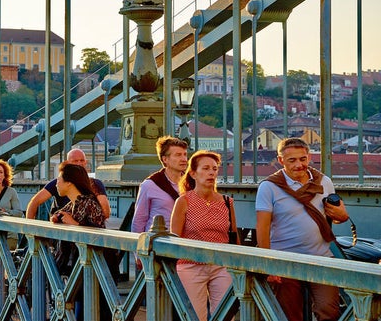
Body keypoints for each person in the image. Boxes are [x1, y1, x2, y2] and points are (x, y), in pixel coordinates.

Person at [255, 138, 349, 321]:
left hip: (321, 258)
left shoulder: (324, 182)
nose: (299, 165)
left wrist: (342, 216)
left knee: (329, 311)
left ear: (309, 157)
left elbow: (334, 218)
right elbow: (262, 227)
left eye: (303, 159)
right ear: (281, 160)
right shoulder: (269, 187)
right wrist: (267, 264)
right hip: (285, 259)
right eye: (292, 160)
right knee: (289, 315)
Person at [170, 150, 239, 321]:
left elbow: (234, 236)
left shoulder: (227, 202)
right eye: (206, 168)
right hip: (190, 265)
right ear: (193, 173)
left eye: (214, 169)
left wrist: (239, 263)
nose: (211, 173)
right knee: (195, 316)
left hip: (221, 265)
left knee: (225, 315)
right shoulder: (184, 201)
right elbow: (174, 239)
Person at [50, 161, 109, 321]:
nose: (56, 184)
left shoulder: (90, 203)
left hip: (91, 268)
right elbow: (61, 217)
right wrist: (57, 218)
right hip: (77, 267)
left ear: (69, 182)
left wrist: (74, 224)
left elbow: (97, 235)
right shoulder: (73, 203)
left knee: (86, 309)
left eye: (59, 179)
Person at [131, 136, 188, 268]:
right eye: (178, 155)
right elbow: (139, 221)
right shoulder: (150, 185)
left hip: (185, 247)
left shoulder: (191, 184)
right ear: (165, 159)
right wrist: (138, 253)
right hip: (159, 248)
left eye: (185, 154)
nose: (184, 159)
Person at [26, 148, 110, 220]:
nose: (79, 164)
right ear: (67, 163)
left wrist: (76, 223)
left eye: (82, 160)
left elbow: (105, 212)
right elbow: (34, 202)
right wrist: (29, 228)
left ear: (85, 162)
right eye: (75, 161)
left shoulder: (95, 184)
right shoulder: (59, 182)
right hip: (61, 231)